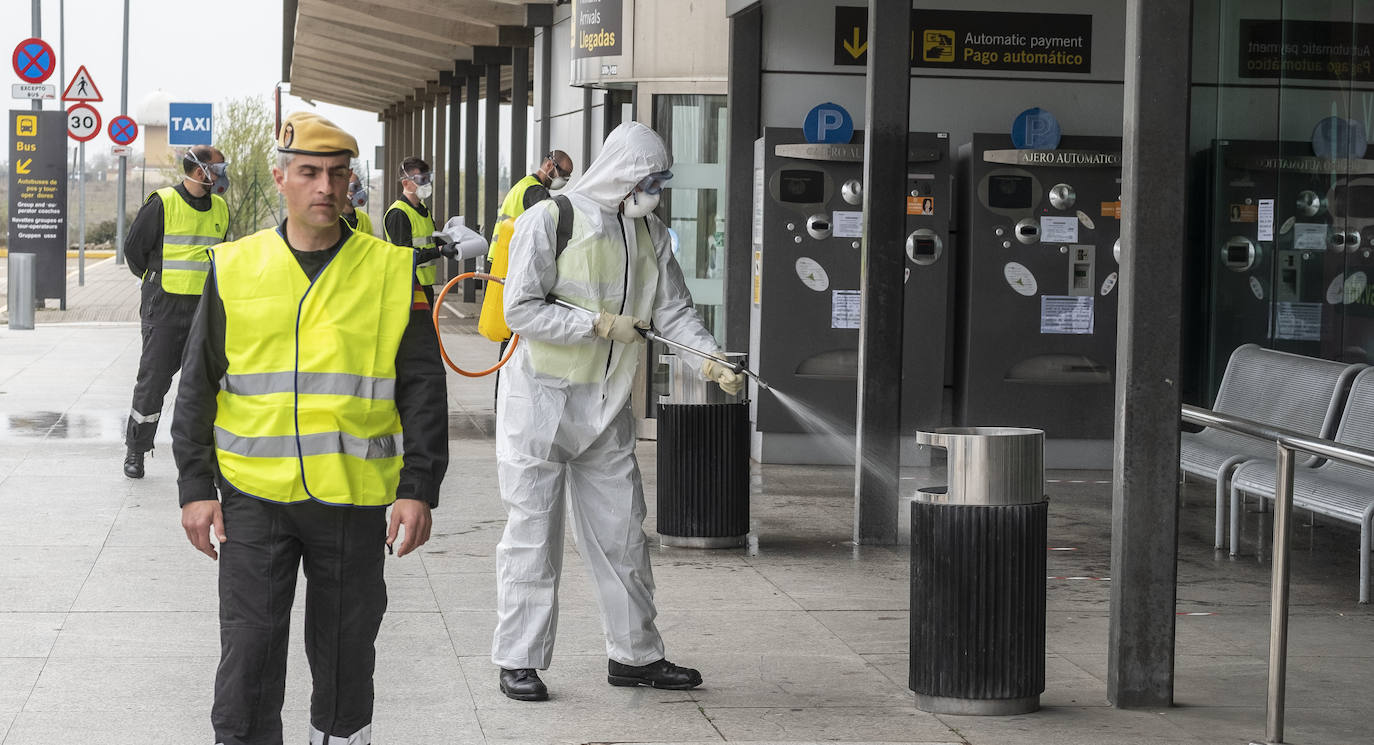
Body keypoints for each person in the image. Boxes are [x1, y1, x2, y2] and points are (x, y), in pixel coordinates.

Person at [171, 111, 448, 745]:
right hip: (252, 495)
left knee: (347, 653)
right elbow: (197, 386)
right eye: (309, 172)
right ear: (280, 178)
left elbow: (423, 389)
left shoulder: (389, 271)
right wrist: (194, 487)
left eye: (337, 173)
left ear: (352, 180)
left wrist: (419, 486)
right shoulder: (235, 267)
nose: (325, 186)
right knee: (249, 651)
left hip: (352, 498)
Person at [491, 122, 745, 701]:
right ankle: (519, 661)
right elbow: (520, 311)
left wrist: (710, 360)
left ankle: (636, 656)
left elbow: (674, 311)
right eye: (649, 180)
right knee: (533, 537)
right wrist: (597, 324)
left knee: (623, 535)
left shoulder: (651, 233)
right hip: (541, 402)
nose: (655, 190)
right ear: (621, 175)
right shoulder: (550, 220)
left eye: (660, 181)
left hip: (606, 406)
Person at [121, 145, 229, 479]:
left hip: (204, 307)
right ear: (200, 171)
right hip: (165, 306)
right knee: (153, 383)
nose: (223, 173)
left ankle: (205, 458)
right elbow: (134, 250)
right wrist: (156, 281)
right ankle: (137, 450)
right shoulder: (163, 202)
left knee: (206, 385)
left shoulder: (221, 208)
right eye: (219, 167)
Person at [477, 149, 574, 345]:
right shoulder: (535, 192)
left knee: (509, 329)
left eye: (567, 177)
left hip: (502, 261)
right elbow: (551, 225)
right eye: (563, 174)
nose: (564, 180)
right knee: (515, 332)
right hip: (512, 265)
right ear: (549, 165)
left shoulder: (522, 185)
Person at [384, 156, 442, 303]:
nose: (427, 183)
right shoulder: (398, 213)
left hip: (424, 285)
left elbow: (432, 239)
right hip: (407, 287)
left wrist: (452, 241)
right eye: (421, 179)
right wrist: (439, 251)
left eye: (428, 178)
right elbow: (405, 255)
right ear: (406, 183)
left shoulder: (423, 210)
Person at [341, 167, 373, 236]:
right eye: (354, 187)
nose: (359, 191)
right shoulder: (331, 218)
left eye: (359, 186)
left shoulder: (364, 218)